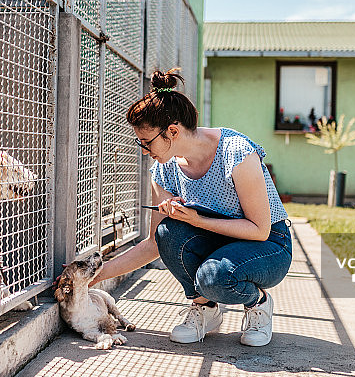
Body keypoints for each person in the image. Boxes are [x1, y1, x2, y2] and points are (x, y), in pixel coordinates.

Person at [89, 68, 292, 346]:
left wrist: (197, 220)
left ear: (172, 131)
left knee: (215, 277)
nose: (144, 150)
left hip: (268, 245)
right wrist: (93, 276)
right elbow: (154, 245)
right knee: (167, 232)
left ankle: (258, 303)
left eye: (147, 142)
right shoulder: (163, 170)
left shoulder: (236, 152)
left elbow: (259, 230)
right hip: (220, 242)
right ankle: (204, 308)